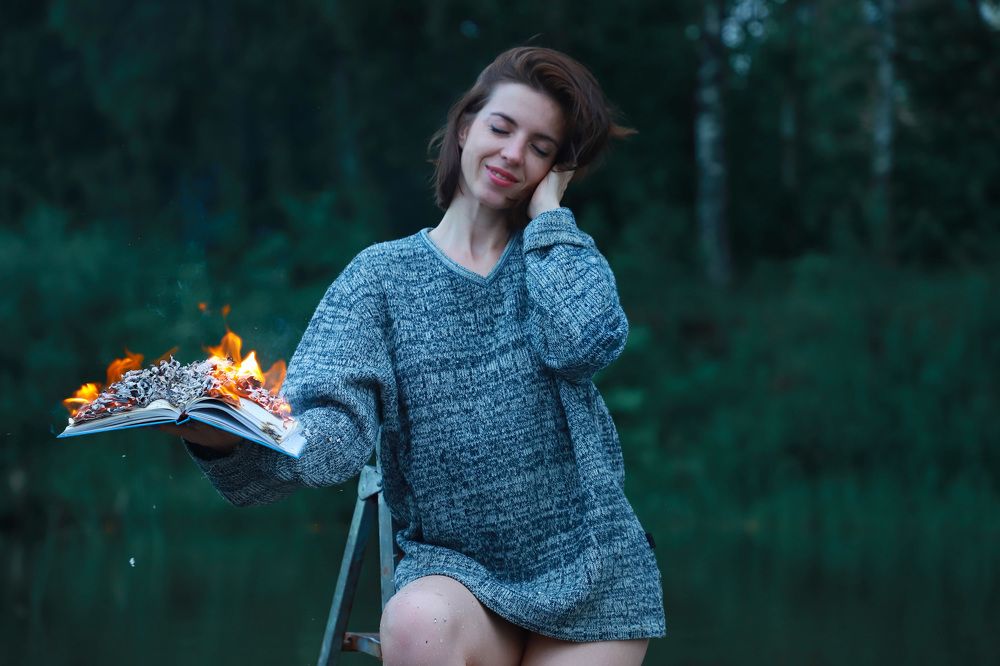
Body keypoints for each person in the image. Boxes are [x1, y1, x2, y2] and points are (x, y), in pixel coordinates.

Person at [165, 46, 666, 665]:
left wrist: (549, 218)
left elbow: (585, 344)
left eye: (540, 147)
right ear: (466, 127)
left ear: (554, 170)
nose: (513, 154)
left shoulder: (555, 260)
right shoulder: (380, 277)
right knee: (414, 621)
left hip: (591, 572)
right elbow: (335, 432)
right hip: (455, 575)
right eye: (501, 128)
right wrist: (231, 439)